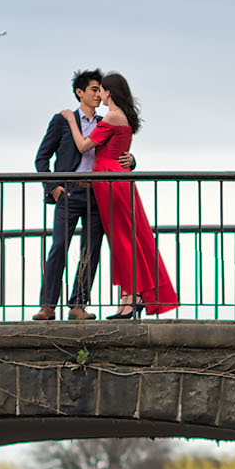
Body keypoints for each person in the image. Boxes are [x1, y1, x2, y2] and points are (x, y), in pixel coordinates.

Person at [58, 71, 178, 318]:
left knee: (122, 239)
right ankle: (128, 297)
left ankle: (132, 296)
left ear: (108, 92)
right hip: (115, 178)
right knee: (123, 238)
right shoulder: (122, 116)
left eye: (100, 89)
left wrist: (71, 119)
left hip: (109, 180)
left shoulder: (112, 115)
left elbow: (83, 146)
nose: (98, 93)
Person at [32, 68, 125, 321]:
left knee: (91, 250)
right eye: (94, 90)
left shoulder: (106, 122)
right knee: (59, 246)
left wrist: (132, 160)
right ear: (79, 92)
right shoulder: (62, 121)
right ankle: (48, 305)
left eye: (100, 90)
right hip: (68, 194)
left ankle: (78, 306)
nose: (99, 95)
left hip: (97, 194)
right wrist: (53, 188)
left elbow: (117, 151)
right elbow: (42, 157)